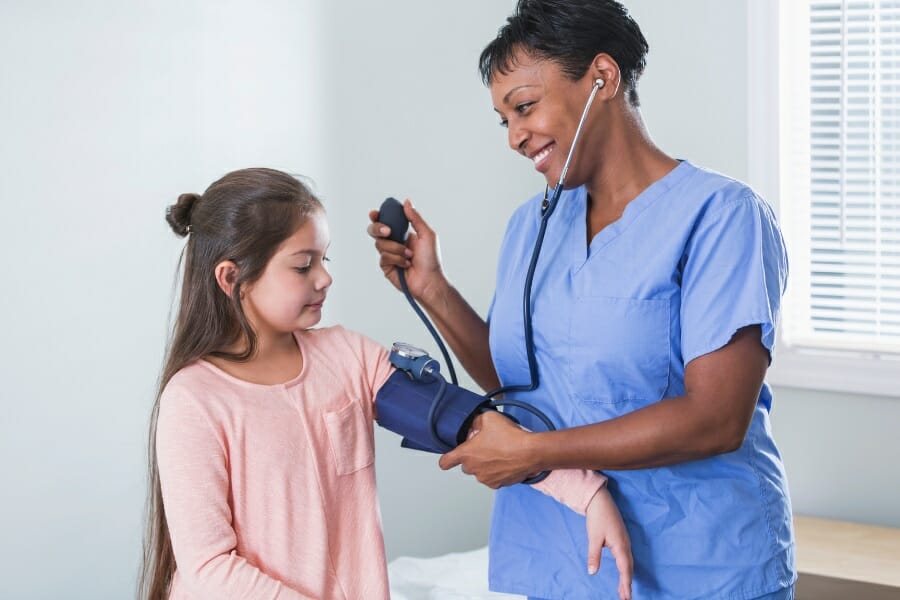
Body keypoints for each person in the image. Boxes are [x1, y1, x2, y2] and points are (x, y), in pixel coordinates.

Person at [367, 1, 795, 598]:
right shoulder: (531, 225)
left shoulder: (721, 218)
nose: (515, 136)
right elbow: (523, 384)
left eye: (524, 107)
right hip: (562, 555)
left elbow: (717, 419)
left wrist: (532, 452)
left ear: (602, 77)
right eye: (504, 121)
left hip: (698, 563)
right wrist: (432, 290)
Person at [138, 167, 634, 600]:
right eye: (302, 265)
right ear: (231, 279)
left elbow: (465, 423)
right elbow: (208, 568)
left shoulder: (347, 357)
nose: (325, 279)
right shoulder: (195, 400)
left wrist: (587, 493)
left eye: (325, 260)